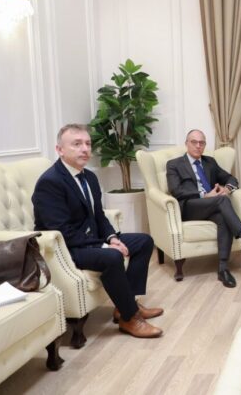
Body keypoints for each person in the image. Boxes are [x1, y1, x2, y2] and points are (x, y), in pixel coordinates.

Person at [33, 124, 163, 339]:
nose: (85, 149)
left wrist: (112, 238)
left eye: (87, 144)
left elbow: (99, 216)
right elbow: (62, 231)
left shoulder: (90, 178)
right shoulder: (50, 182)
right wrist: (104, 245)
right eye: (77, 144)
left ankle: (127, 305)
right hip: (65, 249)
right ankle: (130, 318)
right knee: (112, 256)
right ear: (59, 150)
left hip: (88, 240)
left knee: (144, 241)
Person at [166, 129, 241, 288]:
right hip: (189, 207)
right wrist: (204, 195)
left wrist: (227, 189)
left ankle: (223, 269)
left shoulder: (210, 162)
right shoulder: (174, 164)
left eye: (202, 143)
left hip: (211, 206)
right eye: (194, 142)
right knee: (221, 201)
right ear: (186, 143)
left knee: (223, 217)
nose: (198, 146)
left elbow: (231, 178)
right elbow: (176, 191)